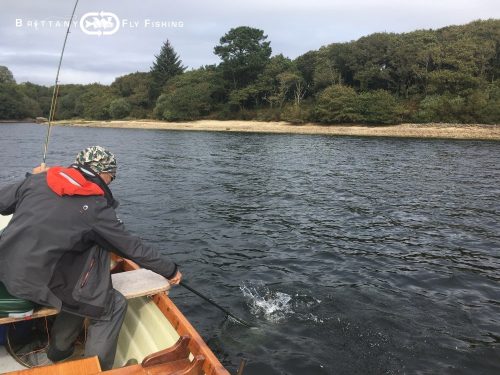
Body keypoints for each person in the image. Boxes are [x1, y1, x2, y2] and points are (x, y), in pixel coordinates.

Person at [0, 146, 181, 370]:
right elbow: (131, 247)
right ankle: (92, 367)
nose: (111, 181)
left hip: (5, 271)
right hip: (33, 285)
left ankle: (59, 352)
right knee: (109, 304)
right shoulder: (95, 206)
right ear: (103, 174)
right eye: (112, 177)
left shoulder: (39, 179)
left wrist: (32, 179)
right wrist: (170, 270)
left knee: (83, 290)